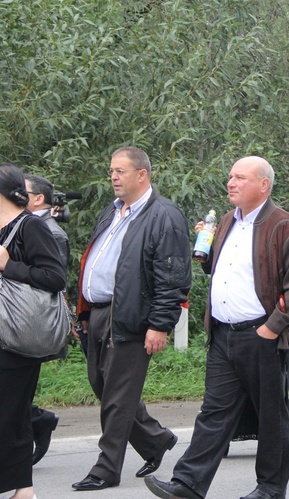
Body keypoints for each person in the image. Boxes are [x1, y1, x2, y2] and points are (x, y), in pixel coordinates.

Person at [145, 157, 289, 499]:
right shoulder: (224, 222)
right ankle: (188, 484)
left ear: (263, 184)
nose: (231, 183)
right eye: (230, 177)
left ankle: (270, 488)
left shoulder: (284, 226)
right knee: (214, 411)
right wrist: (205, 254)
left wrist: (273, 327)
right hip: (223, 335)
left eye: (240, 178)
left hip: (261, 336)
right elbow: (225, 272)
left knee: (270, 415)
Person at [72, 147, 192, 491]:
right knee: (102, 384)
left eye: (120, 171)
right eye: (111, 170)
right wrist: (85, 312)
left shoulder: (164, 215)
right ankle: (155, 440)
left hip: (133, 316)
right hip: (98, 314)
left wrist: (160, 324)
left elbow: (173, 278)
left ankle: (106, 469)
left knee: (118, 396)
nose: (113, 177)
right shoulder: (111, 212)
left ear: (142, 175)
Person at [0, 164, 66, 499]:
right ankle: (22, 490)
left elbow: (55, 278)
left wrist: (7, 265)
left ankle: (24, 490)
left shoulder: (30, 227)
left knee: (11, 415)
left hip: (17, 337)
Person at [24, 174, 69, 465]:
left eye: (22, 191)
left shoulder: (51, 233)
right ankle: (36, 420)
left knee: (14, 390)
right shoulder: (20, 224)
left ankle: (36, 421)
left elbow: (53, 280)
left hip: (26, 321)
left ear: (39, 198)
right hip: (13, 316)